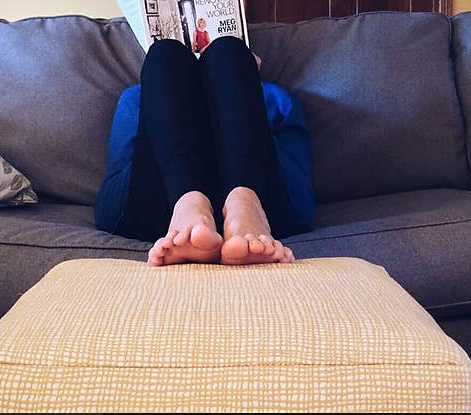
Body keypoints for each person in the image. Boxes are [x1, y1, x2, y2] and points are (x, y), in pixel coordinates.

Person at [95, 35, 314, 266]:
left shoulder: (274, 97)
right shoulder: (136, 98)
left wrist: (239, 85)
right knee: (164, 53)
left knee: (228, 50)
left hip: (264, 211)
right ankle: (188, 204)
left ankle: (244, 204)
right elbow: (117, 177)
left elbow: (300, 191)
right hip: (157, 207)